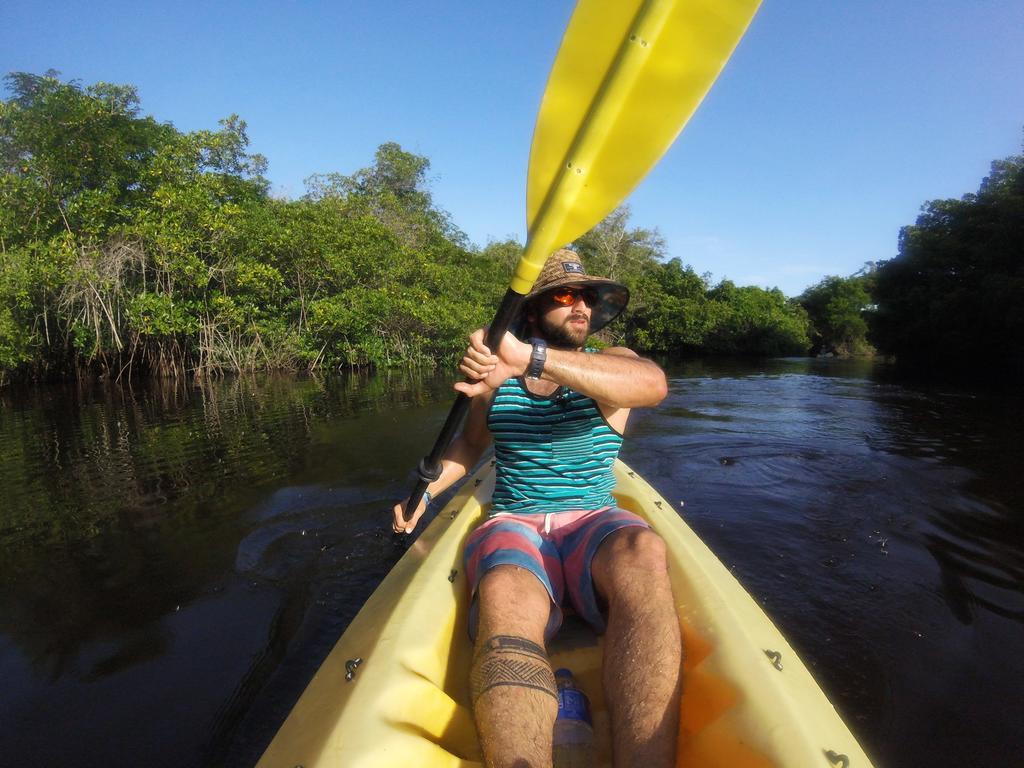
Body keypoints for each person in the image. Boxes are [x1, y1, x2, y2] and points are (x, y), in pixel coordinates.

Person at [392, 249, 682, 768]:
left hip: (593, 518)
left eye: (589, 300)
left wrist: (529, 357)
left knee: (644, 548)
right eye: (567, 297)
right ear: (531, 312)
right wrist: (425, 496)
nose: (582, 309)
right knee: (504, 588)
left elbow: (652, 387)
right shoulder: (495, 379)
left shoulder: (614, 363)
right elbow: (469, 446)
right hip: (516, 519)